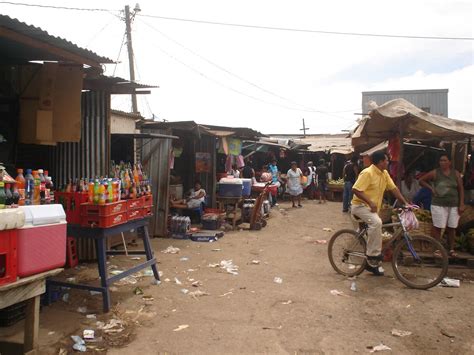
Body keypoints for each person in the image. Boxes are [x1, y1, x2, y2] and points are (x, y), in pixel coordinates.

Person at [351, 150, 408, 276]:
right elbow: (355, 189)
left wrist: (405, 203)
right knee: (377, 223)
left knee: (376, 228)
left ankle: (372, 265)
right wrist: (370, 202)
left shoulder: (384, 173)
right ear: (380, 162)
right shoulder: (367, 173)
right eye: (386, 160)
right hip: (359, 206)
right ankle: (372, 256)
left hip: (371, 209)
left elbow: (394, 189)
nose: (388, 162)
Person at [419, 153, 465, 257]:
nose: (442, 162)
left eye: (445, 160)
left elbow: (461, 189)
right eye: (441, 160)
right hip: (438, 204)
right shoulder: (435, 173)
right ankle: (437, 249)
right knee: (438, 226)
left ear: (449, 162)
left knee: (452, 227)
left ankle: (451, 249)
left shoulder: (456, 173)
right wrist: (431, 188)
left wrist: (461, 203)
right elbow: (421, 181)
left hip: (453, 204)